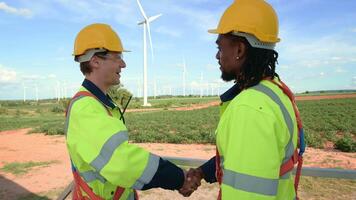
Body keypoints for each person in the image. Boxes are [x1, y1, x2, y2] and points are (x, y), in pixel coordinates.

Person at [179, 0, 306, 199]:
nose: (217, 55)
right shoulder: (276, 90)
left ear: (239, 50)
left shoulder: (249, 108)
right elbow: (253, 159)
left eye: (220, 47)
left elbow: (248, 191)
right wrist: (203, 171)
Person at [65, 23, 198, 200]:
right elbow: (122, 162)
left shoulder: (101, 104)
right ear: (95, 61)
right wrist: (179, 178)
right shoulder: (85, 108)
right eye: (117, 57)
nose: (124, 64)